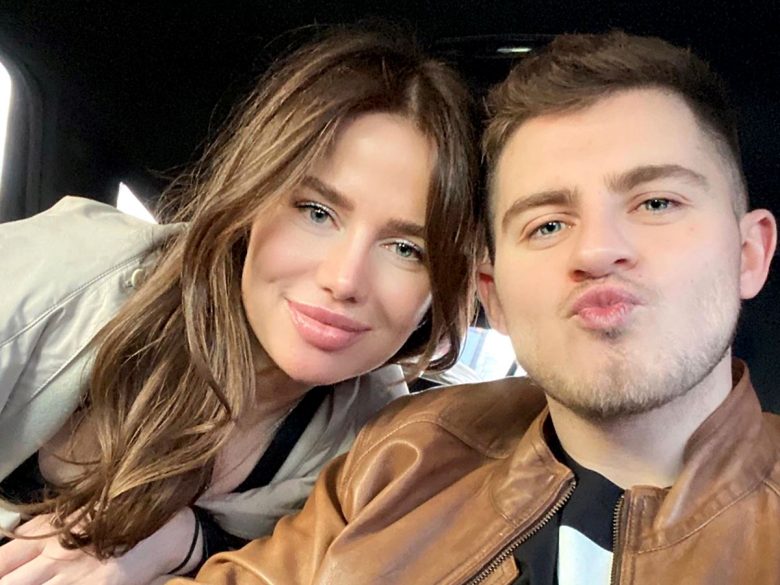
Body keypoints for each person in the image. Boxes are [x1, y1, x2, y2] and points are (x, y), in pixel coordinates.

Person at [168, 31, 780, 585]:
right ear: (493, 295)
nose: (596, 250)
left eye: (656, 203)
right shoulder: (403, 457)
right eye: (547, 225)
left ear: (749, 254)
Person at [0, 28, 481, 585]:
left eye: (406, 249)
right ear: (252, 199)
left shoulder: (373, 445)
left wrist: (184, 540)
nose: (343, 279)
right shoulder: (66, 270)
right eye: (317, 212)